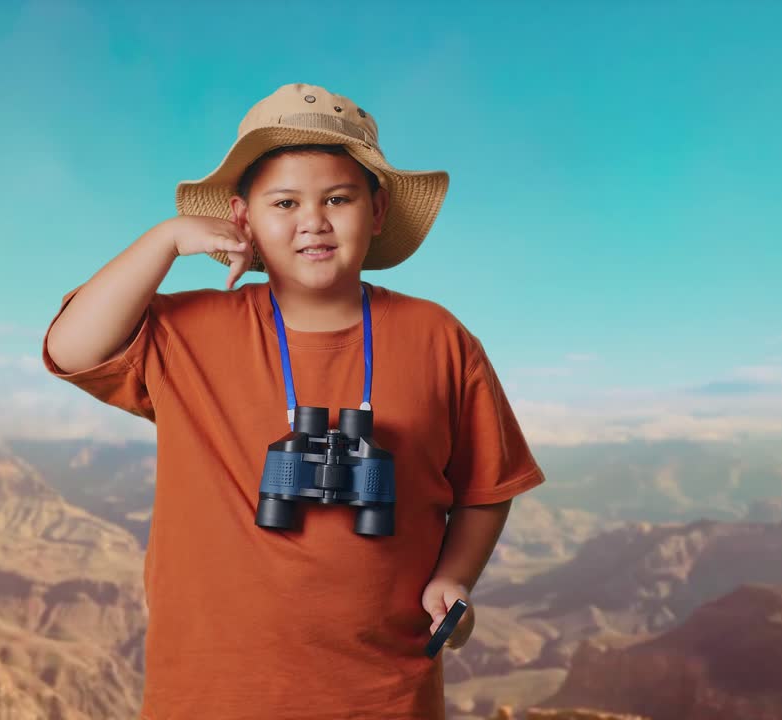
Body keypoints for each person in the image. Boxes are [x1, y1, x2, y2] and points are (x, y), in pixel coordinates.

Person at [42, 83, 545, 719]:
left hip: (383, 690)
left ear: (378, 211)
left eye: (339, 198)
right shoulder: (189, 331)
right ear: (241, 217)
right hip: (214, 688)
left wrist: (455, 577)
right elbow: (71, 349)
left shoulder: (438, 337)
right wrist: (165, 241)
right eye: (285, 202)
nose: (314, 220)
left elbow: (487, 485)